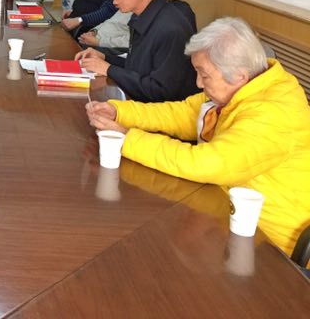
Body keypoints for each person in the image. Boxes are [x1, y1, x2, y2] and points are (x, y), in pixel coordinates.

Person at [86, 17, 310, 257]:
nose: (198, 83)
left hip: (271, 247)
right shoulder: (242, 87)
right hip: (225, 212)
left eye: (204, 74)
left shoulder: (274, 112)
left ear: (240, 76)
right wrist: (119, 111)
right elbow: (182, 114)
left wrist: (127, 138)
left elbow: (207, 163)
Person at [76, 0, 198, 102]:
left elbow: (160, 91)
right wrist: (105, 58)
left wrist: (108, 69)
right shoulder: (141, 16)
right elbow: (139, 68)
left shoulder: (170, 28)